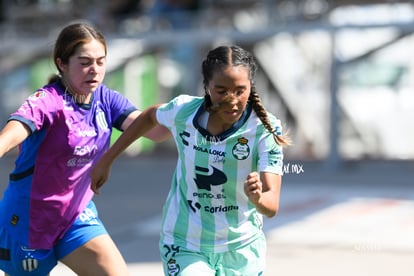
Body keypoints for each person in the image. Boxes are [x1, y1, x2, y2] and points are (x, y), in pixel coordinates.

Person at [91, 45, 291, 276]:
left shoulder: (265, 129)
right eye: (221, 90)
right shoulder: (183, 111)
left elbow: (271, 206)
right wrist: (107, 159)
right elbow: (149, 117)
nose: (232, 100)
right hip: (185, 244)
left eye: (240, 90)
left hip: (242, 248)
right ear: (206, 87)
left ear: (250, 87)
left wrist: (256, 197)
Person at [0, 22, 169, 275]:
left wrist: (182, 113)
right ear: (62, 63)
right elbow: (13, 132)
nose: (95, 70)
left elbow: (156, 132)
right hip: (29, 220)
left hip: (76, 218)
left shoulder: (107, 100)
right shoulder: (48, 100)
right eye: (85, 62)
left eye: (101, 61)